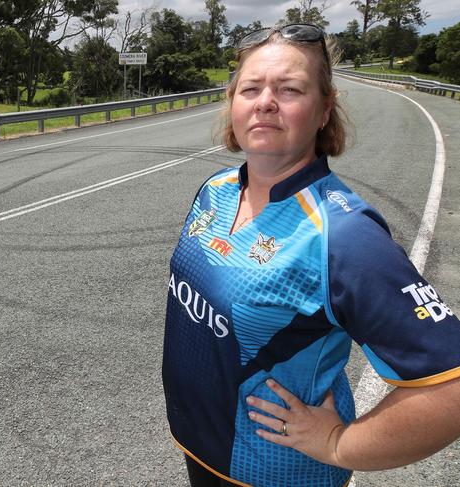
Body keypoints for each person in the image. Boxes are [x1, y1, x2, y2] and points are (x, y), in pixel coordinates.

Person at [162, 23, 460, 487]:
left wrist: (339, 444)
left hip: (275, 473)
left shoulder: (343, 235)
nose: (265, 102)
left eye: (290, 89)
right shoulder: (215, 191)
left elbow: (451, 387)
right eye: (251, 88)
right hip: (200, 450)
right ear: (233, 103)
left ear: (324, 109)